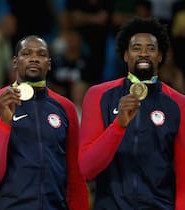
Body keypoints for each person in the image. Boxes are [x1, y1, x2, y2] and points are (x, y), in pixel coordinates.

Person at [79, 17, 185, 209]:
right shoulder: (99, 95)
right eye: (136, 48)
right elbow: (87, 169)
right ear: (126, 55)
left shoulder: (178, 103)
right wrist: (118, 126)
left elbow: (183, 176)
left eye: (151, 48)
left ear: (160, 56)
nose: (143, 53)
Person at [0, 35, 89, 209]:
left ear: (49, 64)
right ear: (15, 62)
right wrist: (5, 123)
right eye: (26, 53)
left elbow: (75, 173)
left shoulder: (65, 107)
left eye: (41, 54)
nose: (34, 58)